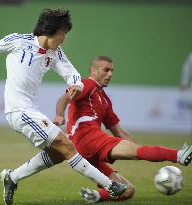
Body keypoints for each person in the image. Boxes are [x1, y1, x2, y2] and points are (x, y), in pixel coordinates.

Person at [0, 8, 129, 205]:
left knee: (57, 154)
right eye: (62, 33)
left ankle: (13, 177)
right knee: (66, 146)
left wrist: (76, 85)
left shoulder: (55, 52)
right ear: (51, 29)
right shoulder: (19, 41)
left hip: (31, 110)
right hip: (18, 110)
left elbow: (71, 73)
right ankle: (110, 185)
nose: (63, 38)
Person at [54, 55, 192, 203]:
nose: (110, 74)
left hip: (86, 154)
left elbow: (119, 132)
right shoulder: (87, 84)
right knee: (138, 153)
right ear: (93, 71)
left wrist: (143, 151)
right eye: (106, 70)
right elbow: (65, 98)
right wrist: (59, 115)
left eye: (112, 71)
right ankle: (179, 155)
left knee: (127, 190)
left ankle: (96, 196)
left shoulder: (105, 100)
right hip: (88, 138)